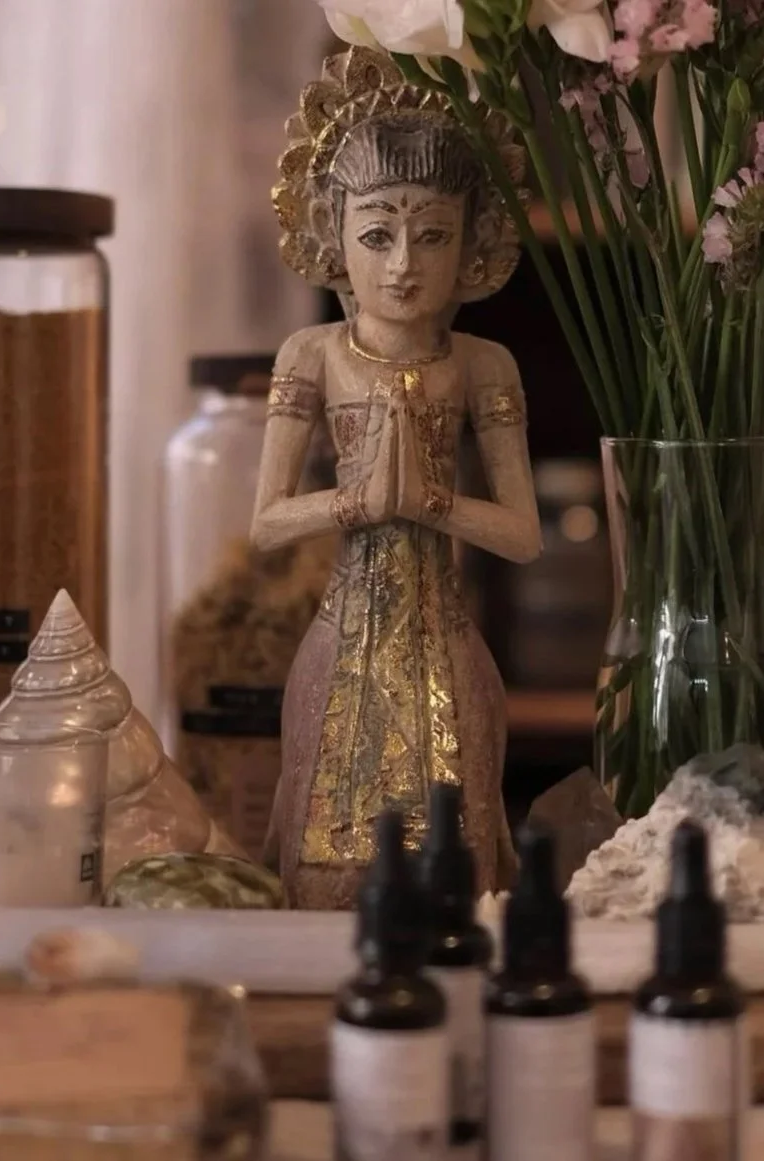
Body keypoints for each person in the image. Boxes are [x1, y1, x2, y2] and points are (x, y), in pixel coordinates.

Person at [252, 48, 541, 908]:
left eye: (432, 234)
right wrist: (353, 503)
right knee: (320, 875)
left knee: (461, 868)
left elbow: (524, 535)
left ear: (471, 243)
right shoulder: (312, 356)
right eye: (376, 234)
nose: (403, 263)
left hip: (447, 641)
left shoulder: (484, 366)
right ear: (332, 239)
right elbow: (266, 521)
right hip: (339, 636)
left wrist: (432, 503)